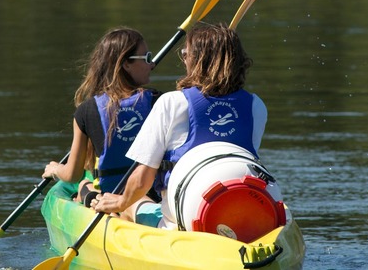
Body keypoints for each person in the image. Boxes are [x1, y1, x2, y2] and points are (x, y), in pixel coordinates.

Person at [93, 23, 267, 229]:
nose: (184, 60)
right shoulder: (256, 105)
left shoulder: (171, 102)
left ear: (198, 61)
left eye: (186, 54)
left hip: (182, 221)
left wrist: (120, 202)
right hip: (241, 212)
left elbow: (142, 180)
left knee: (133, 205)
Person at [42, 27, 160, 209]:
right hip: (155, 196)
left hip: (110, 199)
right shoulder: (160, 102)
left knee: (82, 184)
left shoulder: (86, 111)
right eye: (147, 58)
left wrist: (55, 169)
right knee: (84, 184)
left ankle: (87, 193)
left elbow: (72, 174)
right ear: (126, 64)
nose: (151, 64)